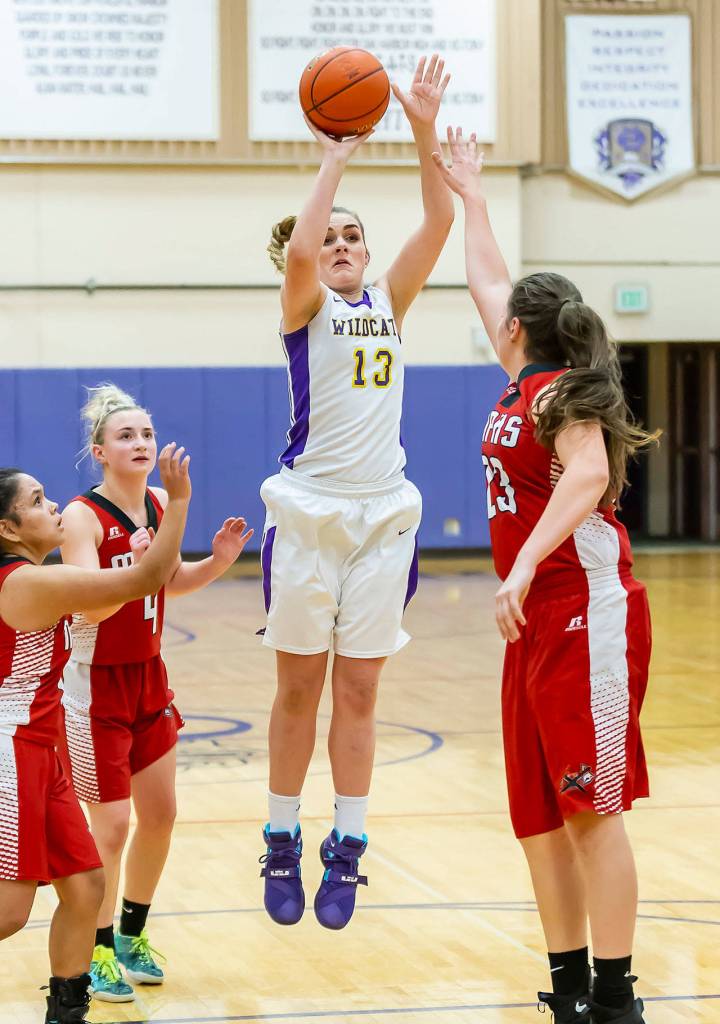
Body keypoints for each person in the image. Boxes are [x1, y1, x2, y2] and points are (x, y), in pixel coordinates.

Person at [432, 128, 655, 1024]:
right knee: (538, 815)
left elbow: (591, 479)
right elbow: (489, 278)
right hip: (534, 618)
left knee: (591, 811)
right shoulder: (522, 377)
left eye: (502, 313)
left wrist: (522, 564)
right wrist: (472, 198)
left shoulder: (563, 397)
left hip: (583, 611)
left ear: (518, 329)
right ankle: (567, 990)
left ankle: (615, 999)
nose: (491, 314)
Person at [258, 54, 454, 930]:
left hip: (383, 518)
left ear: (369, 255)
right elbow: (299, 247)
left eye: (352, 238)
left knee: (363, 692)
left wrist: (417, 123)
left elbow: (441, 214)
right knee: (299, 690)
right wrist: (335, 149)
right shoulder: (305, 304)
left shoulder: (388, 301)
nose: (339, 246)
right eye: (331, 238)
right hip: (310, 514)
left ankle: (348, 844)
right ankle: (280, 836)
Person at [59, 385, 253, 1002]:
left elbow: (168, 582)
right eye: (126, 436)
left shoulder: (165, 502)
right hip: (96, 686)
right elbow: (86, 607)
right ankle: (92, 948)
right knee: (111, 826)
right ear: (100, 451)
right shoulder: (81, 517)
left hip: (150, 678)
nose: (140, 443)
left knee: (161, 816)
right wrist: (132, 567)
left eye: (146, 434)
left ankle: (131, 937)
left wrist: (218, 562)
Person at [0, 443, 190, 1024]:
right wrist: (177, 501)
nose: (52, 504)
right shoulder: (28, 584)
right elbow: (152, 577)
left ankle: (67, 1013)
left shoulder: (35, 576)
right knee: (8, 913)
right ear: (9, 528)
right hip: (10, 751)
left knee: (84, 890)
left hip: (41, 749)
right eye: (37, 502)